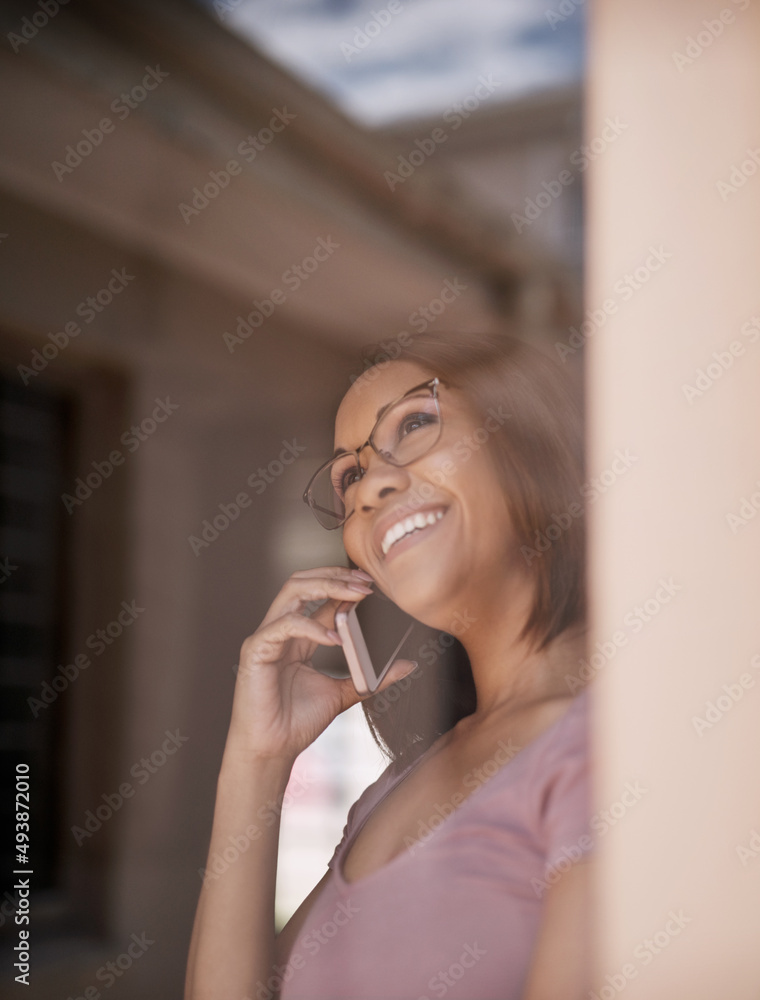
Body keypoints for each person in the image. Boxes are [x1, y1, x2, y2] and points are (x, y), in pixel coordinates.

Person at [185, 330, 595, 1000]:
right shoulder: (392, 792)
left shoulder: (604, 744)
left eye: (414, 423)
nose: (370, 485)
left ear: (533, 438)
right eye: (349, 476)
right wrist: (256, 760)